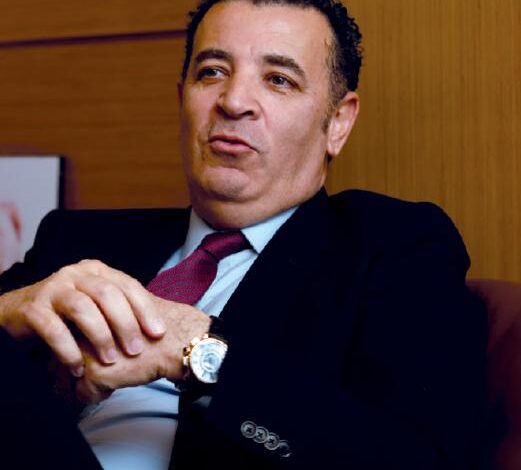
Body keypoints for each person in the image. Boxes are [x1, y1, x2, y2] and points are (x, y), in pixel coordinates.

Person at [0, 0, 487, 468]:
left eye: (278, 80)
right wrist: (11, 308)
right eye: (212, 72)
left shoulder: (393, 248)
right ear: (182, 98)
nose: (233, 102)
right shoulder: (77, 241)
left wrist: (195, 349)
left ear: (337, 122)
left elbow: (413, 456)